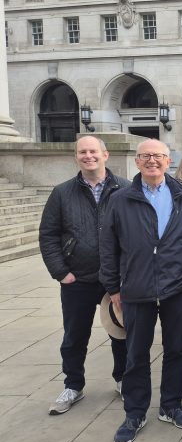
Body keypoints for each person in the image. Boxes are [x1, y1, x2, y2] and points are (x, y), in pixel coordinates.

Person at [101, 139, 182, 442]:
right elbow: (108, 247)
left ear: (167, 160)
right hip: (136, 290)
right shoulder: (121, 199)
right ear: (137, 162)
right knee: (136, 354)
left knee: (175, 350)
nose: (152, 161)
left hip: (177, 288)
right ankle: (134, 412)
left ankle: (171, 405)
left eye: (158, 156)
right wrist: (113, 287)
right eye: (145, 156)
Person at [39, 136, 130, 415]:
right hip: (77, 279)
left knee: (121, 333)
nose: (88, 156)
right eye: (82, 152)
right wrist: (61, 272)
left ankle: (123, 379)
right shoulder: (62, 192)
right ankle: (73, 384)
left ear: (105, 154)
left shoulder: (125, 189)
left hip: (114, 279)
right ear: (76, 156)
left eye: (93, 151)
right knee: (75, 335)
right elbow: (48, 235)